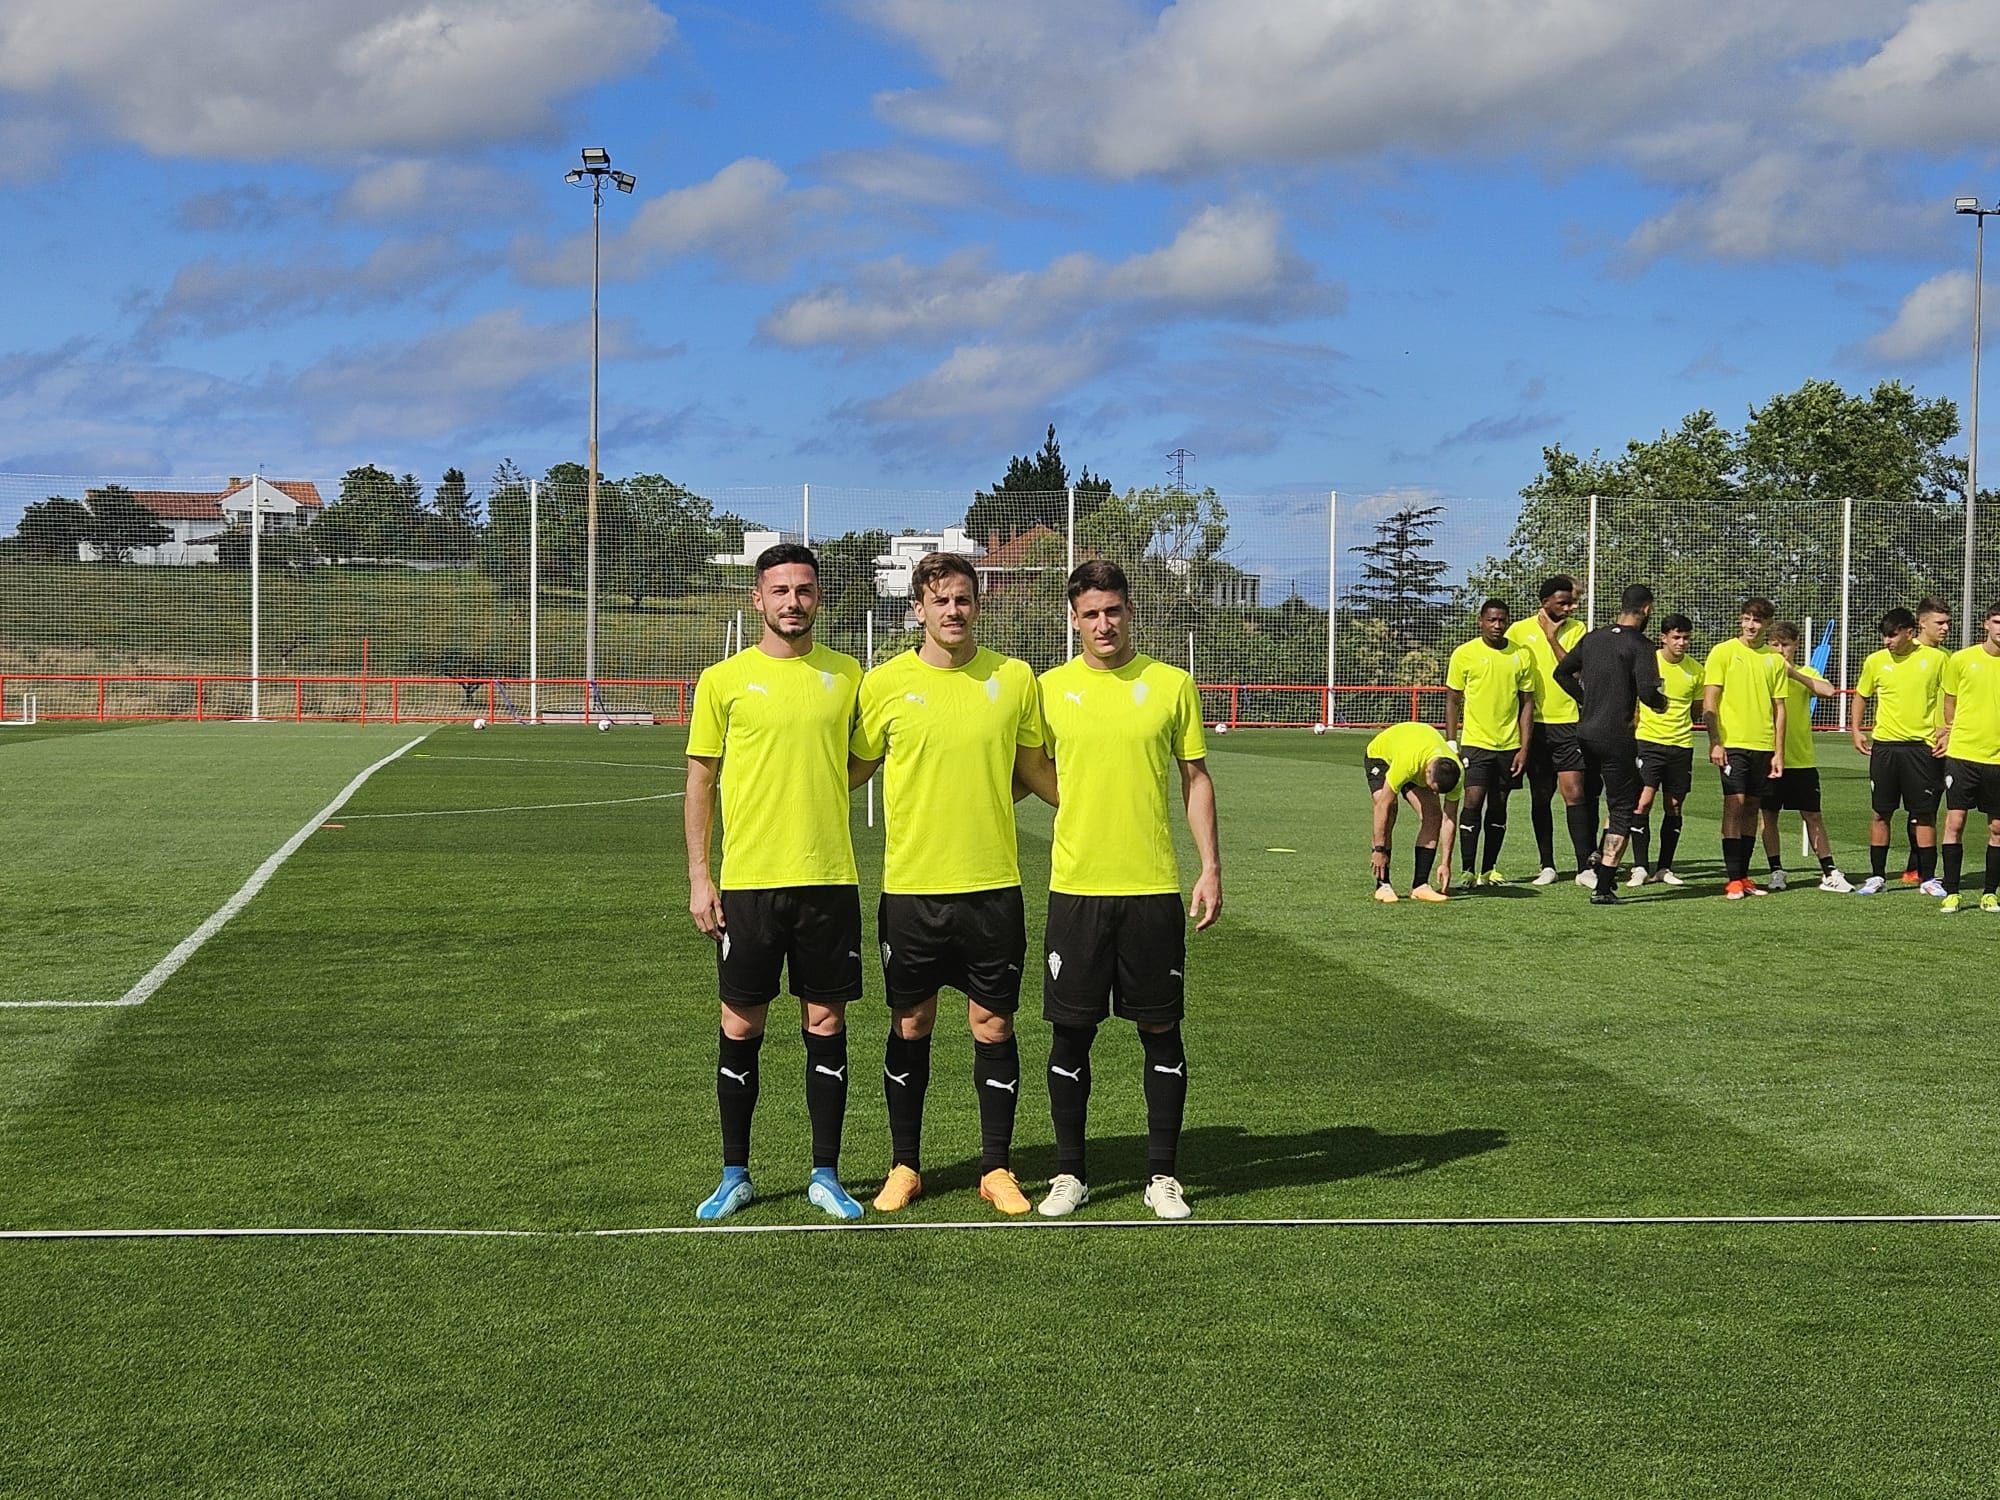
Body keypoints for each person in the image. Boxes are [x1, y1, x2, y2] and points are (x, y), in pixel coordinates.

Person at [848, 552, 1051, 1217]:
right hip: (912, 889)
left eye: (963, 600)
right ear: (918, 610)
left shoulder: (1015, 680)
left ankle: (996, 1168)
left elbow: (1035, 773)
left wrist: (1105, 791)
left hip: (992, 885)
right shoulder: (882, 686)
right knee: (912, 1022)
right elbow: (848, 770)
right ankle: (905, 1165)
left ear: (976, 605)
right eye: (941, 601)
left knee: (992, 1025)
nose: (954, 611)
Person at [685, 542, 867, 1223]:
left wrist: (816, 784)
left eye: (804, 590)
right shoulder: (723, 681)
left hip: (828, 879)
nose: (793, 601)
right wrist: (702, 877)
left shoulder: (849, 676)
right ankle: (736, 1174)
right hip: (750, 883)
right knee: (740, 1022)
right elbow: (700, 780)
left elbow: (863, 759)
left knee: (825, 1021)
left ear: (819, 598)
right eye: (780, 590)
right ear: (757, 600)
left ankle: (825, 1173)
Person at [1034, 560, 1221, 1222]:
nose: (1103, 623)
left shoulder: (1171, 685)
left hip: (1150, 888)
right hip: (1076, 888)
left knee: (1160, 1026)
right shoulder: (1048, 689)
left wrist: (1210, 866)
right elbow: (1026, 767)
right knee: (1070, 1033)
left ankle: (1162, 1177)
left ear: (1130, 611)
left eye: (1113, 610)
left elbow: (1195, 778)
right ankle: (1069, 1175)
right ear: (1073, 618)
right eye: (1090, 613)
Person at [1553, 583, 1666, 904]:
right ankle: (1603, 885)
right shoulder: (1641, 645)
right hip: (1617, 736)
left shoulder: (1592, 639)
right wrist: (1661, 702)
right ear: (1646, 609)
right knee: (1621, 807)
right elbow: (1646, 692)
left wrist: (1585, 700)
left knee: (1588, 798)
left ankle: (1587, 863)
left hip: (1585, 733)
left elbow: (1561, 673)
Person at [1851, 606, 1947, 896]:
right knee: (1881, 813)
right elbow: (1862, 695)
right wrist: (1856, 729)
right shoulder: (1875, 661)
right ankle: (1877, 876)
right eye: (1884, 636)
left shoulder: (1937, 659)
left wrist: (1948, 731)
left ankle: (1927, 878)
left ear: (1909, 632)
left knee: (1924, 814)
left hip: (1922, 748)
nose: (1887, 641)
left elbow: (1950, 698)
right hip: (1885, 748)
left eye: (1892, 635)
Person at [1505, 575, 1591, 885]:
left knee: (1575, 793)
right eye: (1563, 603)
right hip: (1534, 728)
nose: (1570, 607)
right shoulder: (1518, 631)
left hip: (1568, 723)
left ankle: (1585, 869)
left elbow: (1576, 670)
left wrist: (1552, 637)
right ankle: (1547, 866)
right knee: (1541, 796)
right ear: (1545, 603)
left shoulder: (1578, 630)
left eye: (1571, 602)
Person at [1443, 600, 1533, 886]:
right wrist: (1451, 741)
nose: (1497, 625)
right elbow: (1453, 699)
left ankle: (1489, 869)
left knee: (1499, 806)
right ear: (1481, 620)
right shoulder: (1465, 654)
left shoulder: (1521, 655)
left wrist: (1524, 747)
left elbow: (1527, 703)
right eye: (1492, 620)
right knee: (1472, 801)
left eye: (1502, 620)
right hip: (1475, 743)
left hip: (1508, 746)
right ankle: (1468, 870)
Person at [1702, 597, 1787, 899]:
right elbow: (1710, 701)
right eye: (1747, 619)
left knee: (1753, 807)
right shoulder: (1723, 652)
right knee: (1734, 806)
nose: (1752, 625)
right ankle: (1733, 878)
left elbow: (1780, 709)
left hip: (1763, 746)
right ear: (1741, 620)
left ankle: (1745, 875)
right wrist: (1715, 741)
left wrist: (1778, 752)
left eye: (1758, 621)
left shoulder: (1774, 660)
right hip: (1732, 744)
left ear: (1767, 625)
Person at [1757, 622, 1852, 893]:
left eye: (1785, 644)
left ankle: (1829, 870)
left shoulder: (1805, 672)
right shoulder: (1761, 673)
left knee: (1812, 815)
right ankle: (1776, 869)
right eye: (1774, 644)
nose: (1780, 650)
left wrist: (1794, 675)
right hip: (1768, 757)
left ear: (1795, 645)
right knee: (1768, 816)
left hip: (1802, 760)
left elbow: (1828, 691)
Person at [1935, 603, 2000, 914]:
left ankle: (1990, 893)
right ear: (1986, 624)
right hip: (1962, 755)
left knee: (1997, 828)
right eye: (1997, 621)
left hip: (1998, 761)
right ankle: (1952, 891)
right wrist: (1949, 732)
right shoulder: (1962, 660)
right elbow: (1950, 701)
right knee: (1954, 822)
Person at [1629, 613, 1701, 887]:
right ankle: (1639, 866)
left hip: (1681, 745)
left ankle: (1664, 868)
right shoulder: (1649, 662)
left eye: (1685, 638)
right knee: (1643, 802)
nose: (1681, 643)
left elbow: (1696, 710)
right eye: (1676, 637)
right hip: (1648, 742)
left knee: (1673, 805)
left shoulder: (1696, 670)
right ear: (1663, 638)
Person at [1365, 720, 1462, 903]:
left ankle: (1420, 885)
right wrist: (1378, 850)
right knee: (1390, 808)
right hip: (1382, 756)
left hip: (1417, 758)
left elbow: (1449, 819)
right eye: (1432, 788)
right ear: (1427, 772)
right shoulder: (1407, 762)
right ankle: (1382, 884)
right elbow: (1382, 807)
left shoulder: (1457, 773)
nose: (1433, 793)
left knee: (1434, 815)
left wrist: (1445, 863)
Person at [1899, 599, 1954, 882]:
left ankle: (1917, 867)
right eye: (1939, 623)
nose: (1946, 628)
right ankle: (1916, 867)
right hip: (1913, 744)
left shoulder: (1947, 658)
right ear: (1921, 623)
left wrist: (1948, 730)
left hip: (1941, 742)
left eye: (1947, 622)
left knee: (1930, 807)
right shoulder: (1903, 652)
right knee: (1920, 809)